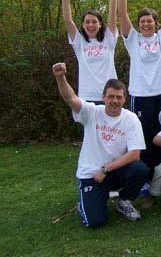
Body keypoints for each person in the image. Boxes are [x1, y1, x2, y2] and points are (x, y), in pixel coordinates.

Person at [52, 62, 147, 228]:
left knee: (140, 169)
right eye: (111, 96)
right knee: (95, 222)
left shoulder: (131, 118)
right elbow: (70, 98)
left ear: (124, 99)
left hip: (111, 171)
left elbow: (134, 154)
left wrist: (105, 169)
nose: (114, 101)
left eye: (118, 97)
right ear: (103, 97)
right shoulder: (91, 111)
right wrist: (60, 77)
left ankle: (123, 201)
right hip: (91, 174)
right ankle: (88, 202)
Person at [118, 0, 161, 191]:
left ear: (155, 23)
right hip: (141, 95)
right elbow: (122, 15)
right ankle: (144, 177)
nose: (146, 24)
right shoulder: (132, 39)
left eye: (149, 21)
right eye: (142, 22)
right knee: (142, 137)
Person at [60, 0, 118, 104]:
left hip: (110, 97)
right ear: (83, 25)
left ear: (100, 24)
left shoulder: (108, 40)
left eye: (94, 22)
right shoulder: (79, 43)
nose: (90, 25)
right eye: (87, 22)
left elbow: (112, 13)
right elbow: (68, 20)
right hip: (87, 98)